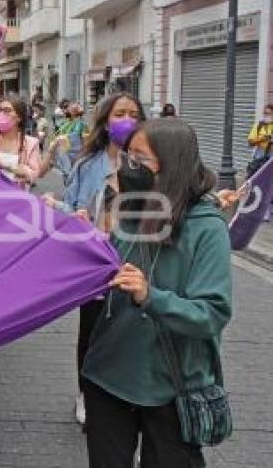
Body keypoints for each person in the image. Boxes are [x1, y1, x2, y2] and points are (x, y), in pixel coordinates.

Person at [83, 118, 232, 467]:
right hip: (108, 374)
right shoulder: (128, 210)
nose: (128, 167)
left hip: (170, 385)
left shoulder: (207, 228)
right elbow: (104, 271)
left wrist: (151, 296)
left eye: (140, 159)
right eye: (127, 156)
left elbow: (211, 313)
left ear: (171, 166)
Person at [43, 92, 145, 426]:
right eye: (119, 113)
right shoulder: (88, 165)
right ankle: (86, 393)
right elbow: (72, 206)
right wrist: (72, 215)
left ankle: (128, 396)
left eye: (133, 114)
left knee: (133, 329)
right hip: (97, 263)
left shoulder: (149, 163)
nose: (126, 120)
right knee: (92, 330)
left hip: (138, 261)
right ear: (105, 121)